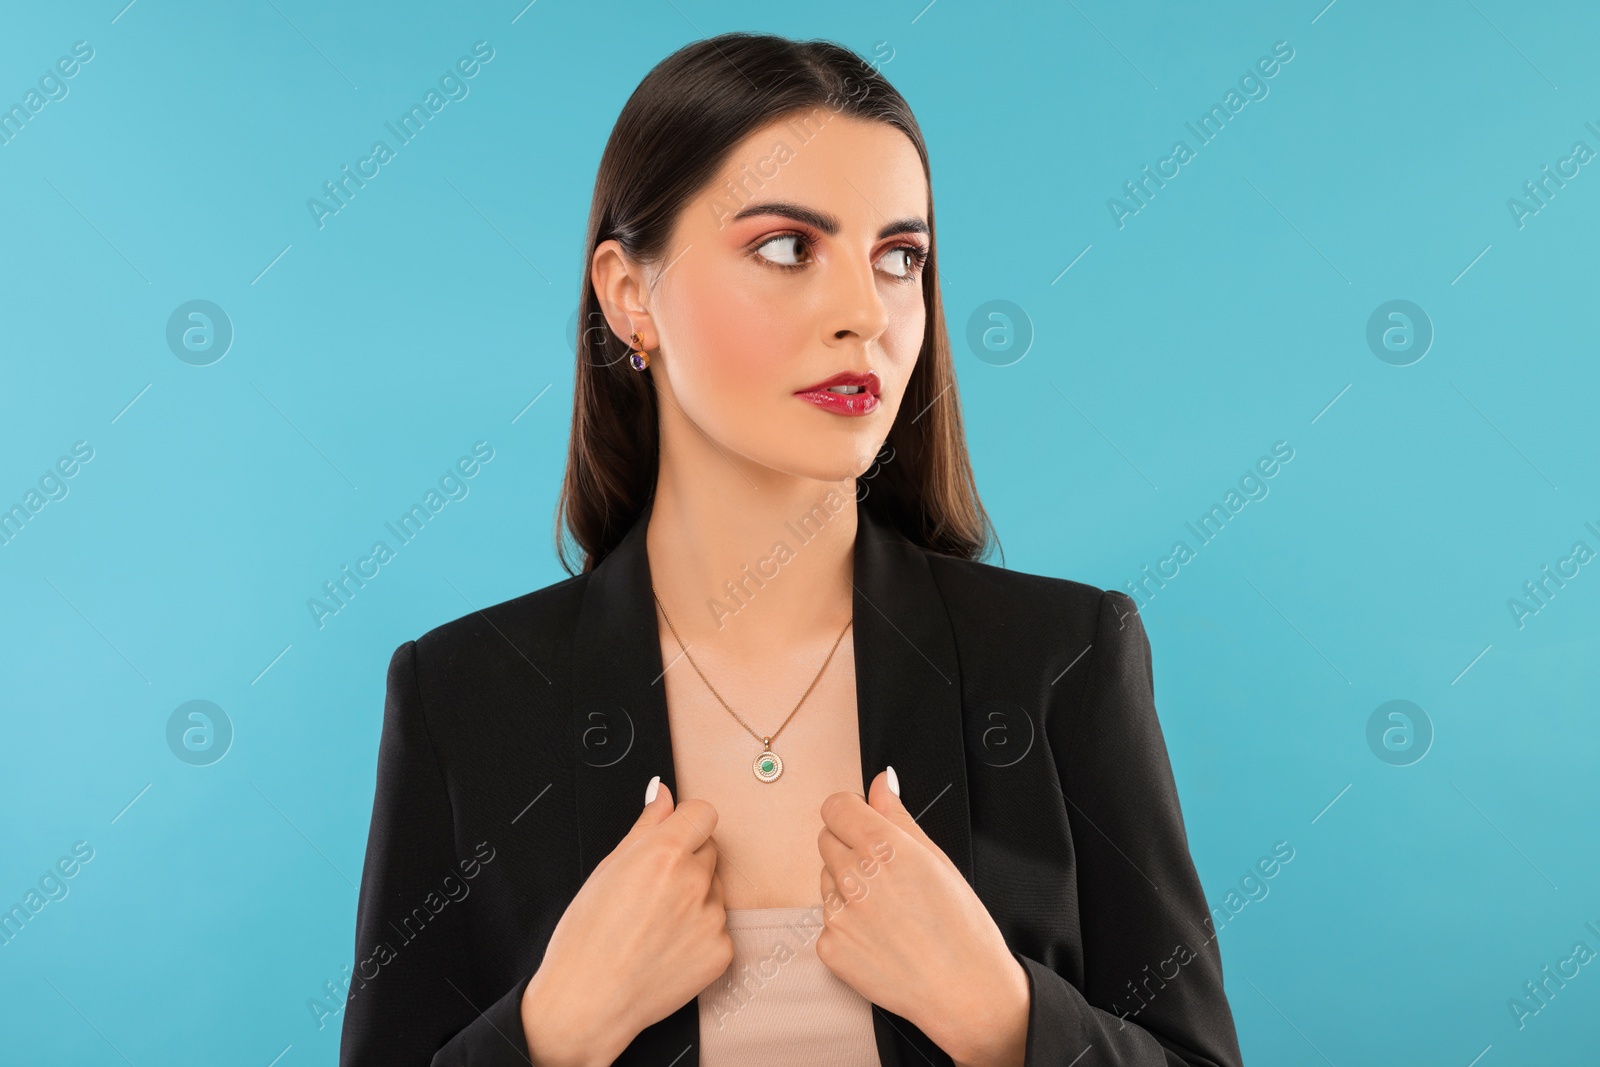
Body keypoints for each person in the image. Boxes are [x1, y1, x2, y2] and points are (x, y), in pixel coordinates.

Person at [340, 31, 1243, 1067]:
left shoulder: (1062, 657)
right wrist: (551, 1030)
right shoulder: (463, 695)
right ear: (630, 295)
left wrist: (1003, 1015)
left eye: (899, 258)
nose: (865, 313)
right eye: (785, 247)